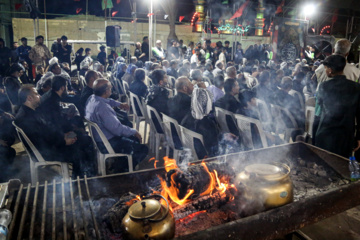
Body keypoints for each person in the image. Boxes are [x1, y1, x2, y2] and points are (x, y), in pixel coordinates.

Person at [15, 84, 95, 177]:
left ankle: (82, 174)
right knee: (81, 147)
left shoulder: (31, 110)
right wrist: (63, 141)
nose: (40, 96)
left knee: (81, 137)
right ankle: (82, 177)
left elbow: (48, 130)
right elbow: (41, 140)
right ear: (29, 98)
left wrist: (64, 135)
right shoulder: (26, 118)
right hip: (47, 151)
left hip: (53, 143)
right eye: (37, 94)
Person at [85, 79, 148, 171]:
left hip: (98, 138)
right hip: (107, 143)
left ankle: (120, 161)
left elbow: (108, 101)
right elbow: (117, 129)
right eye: (110, 88)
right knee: (143, 149)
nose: (111, 90)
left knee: (132, 137)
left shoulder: (92, 98)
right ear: (106, 91)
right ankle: (122, 169)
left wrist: (119, 104)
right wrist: (134, 131)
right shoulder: (103, 108)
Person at [315, 55, 360, 158]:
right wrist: (358, 137)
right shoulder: (357, 88)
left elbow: (320, 105)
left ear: (330, 70)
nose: (325, 70)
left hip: (325, 133)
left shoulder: (324, 86)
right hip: (346, 136)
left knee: (324, 164)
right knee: (341, 164)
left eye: (326, 68)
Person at [181, 88, 240, 159]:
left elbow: (209, 136)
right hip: (206, 154)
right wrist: (224, 137)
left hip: (192, 152)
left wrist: (225, 135)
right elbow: (212, 143)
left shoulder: (189, 115)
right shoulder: (204, 121)